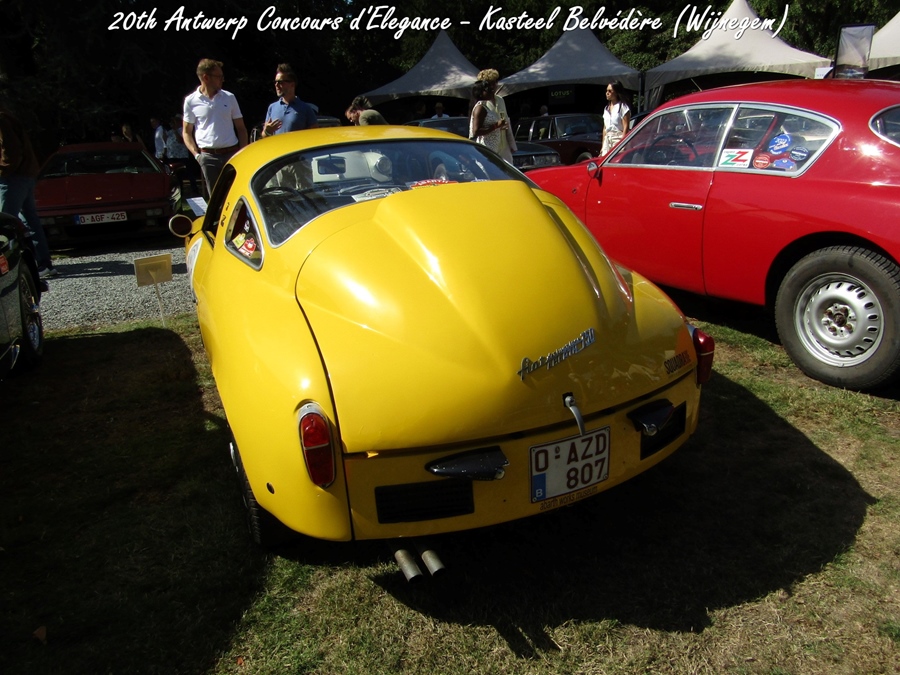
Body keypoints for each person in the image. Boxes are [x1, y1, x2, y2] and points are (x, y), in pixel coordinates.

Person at [0, 106, 57, 278]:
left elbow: (11, 151)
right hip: (24, 176)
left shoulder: (2, 120)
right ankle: (43, 264)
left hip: (13, 178)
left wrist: (3, 171)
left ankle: (9, 268)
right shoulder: (6, 117)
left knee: (4, 223)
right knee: (30, 221)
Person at [182, 58, 248, 198]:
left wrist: (242, 152)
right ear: (206, 77)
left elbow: (241, 128)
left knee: (237, 194)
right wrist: (197, 155)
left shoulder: (229, 97)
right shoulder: (191, 101)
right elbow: (186, 132)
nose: (222, 80)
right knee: (216, 198)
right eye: (219, 76)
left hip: (232, 153)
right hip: (208, 157)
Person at [261, 63, 318, 137]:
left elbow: (314, 136)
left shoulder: (306, 109)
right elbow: (264, 136)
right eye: (275, 82)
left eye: (280, 82)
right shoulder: (272, 108)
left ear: (292, 85)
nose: (276, 85)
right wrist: (268, 131)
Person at [475, 69, 516, 163]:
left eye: (495, 82)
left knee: (507, 169)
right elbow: (475, 131)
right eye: (492, 83)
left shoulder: (500, 100)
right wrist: (496, 126)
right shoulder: (482, 104)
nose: (495, 85)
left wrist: (512, 144)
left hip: (504, 145)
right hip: (489, 146)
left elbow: (507, 121)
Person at [469, 81, 508, 157]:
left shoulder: (485, 106)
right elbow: (476, 132)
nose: (491, 91)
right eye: (488, 90)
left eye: (491, 89)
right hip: (485, 150)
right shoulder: (480, 108)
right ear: (480, 93)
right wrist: (496, 126)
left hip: (492, 149)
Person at [166, 114, 200, 196]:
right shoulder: (170, 132)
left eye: (175, 121)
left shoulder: (183, 130)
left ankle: (194, 190)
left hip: (182, 156)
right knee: (176, 175)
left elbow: (180, 140)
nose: (173, 123)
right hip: (172, 156)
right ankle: (180, 191)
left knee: (189, 173)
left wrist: (175, 131)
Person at [602, 81, 631, 156]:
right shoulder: (606, 109)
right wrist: (602, 147)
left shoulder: (623, 107)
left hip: (618, 139)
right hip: (607, 140)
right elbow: (605, 128)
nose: (607, 93)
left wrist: (622, 145)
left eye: (610, 91)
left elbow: (626, 127)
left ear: (616, 92)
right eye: (606, 91)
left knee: (616, 160)